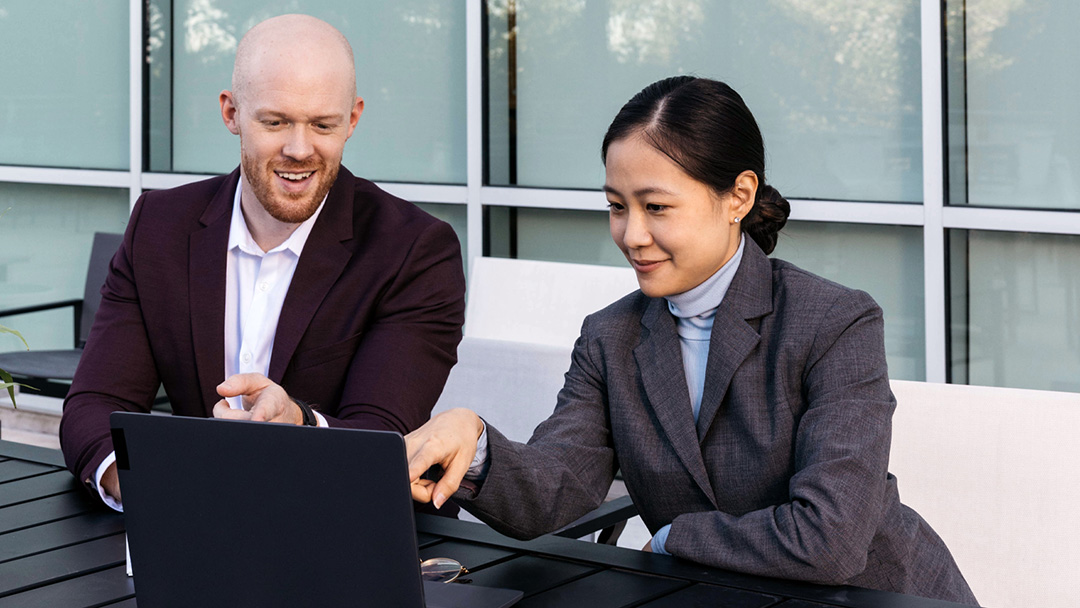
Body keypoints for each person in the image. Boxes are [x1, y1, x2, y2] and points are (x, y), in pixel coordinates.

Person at [404, 76, 977, 604]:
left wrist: (675, 536)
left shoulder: (834, 322)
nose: (632, 235)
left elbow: (830, 537)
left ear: (738, 197)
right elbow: (559, 489)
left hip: (874, 597)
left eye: (656, 207)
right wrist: (473, 439)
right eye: (615, 206)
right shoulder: (610, 336)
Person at [60, 14, 465, 513]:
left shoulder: (415, 250)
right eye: (275, 122)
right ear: (231, 113)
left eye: (323, 124)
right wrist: (152, 492)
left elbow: (379, 434)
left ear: (353, 119)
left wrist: (299, 422)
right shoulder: (158, 226)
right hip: (182, 529)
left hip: (346, 536)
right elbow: (93, 405)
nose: (299, 149)